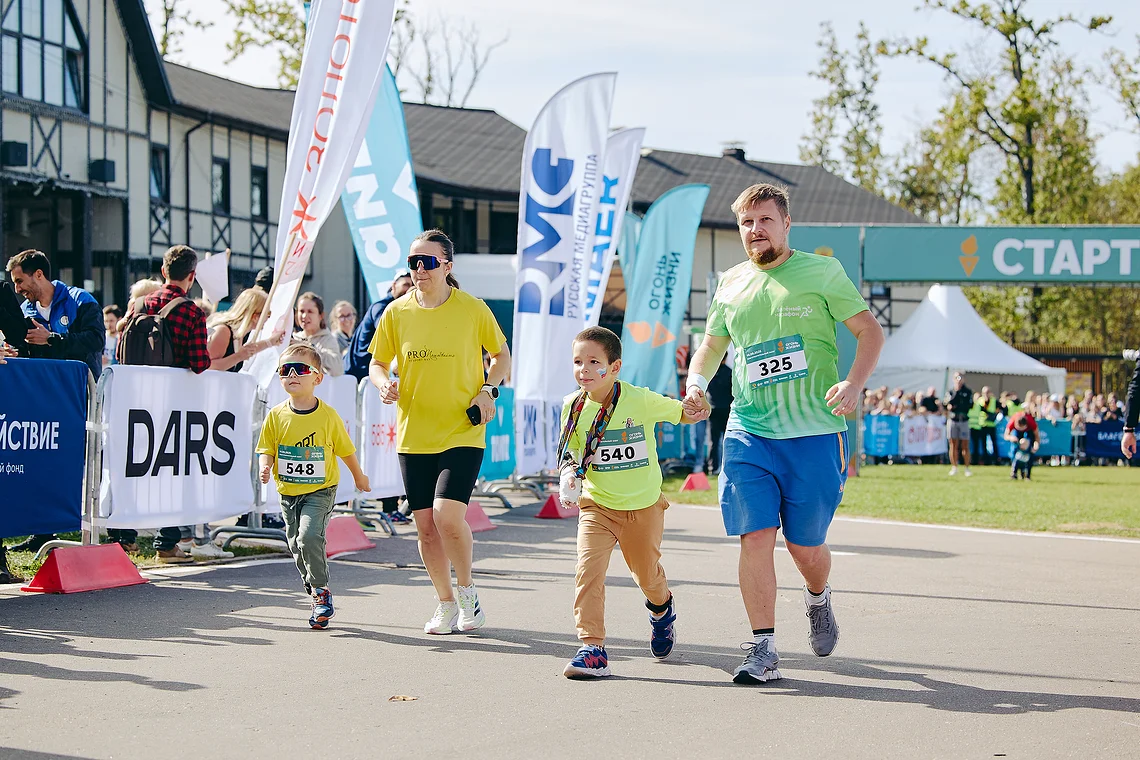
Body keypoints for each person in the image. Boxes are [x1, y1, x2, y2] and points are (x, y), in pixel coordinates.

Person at [682, 183, 884, 684]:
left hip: (814, 433)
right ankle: (763, 646)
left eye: (765, 220)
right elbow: (711, 345)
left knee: (805, 547)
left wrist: (854, 383)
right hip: (749, 432)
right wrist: (695, 381)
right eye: (747, 223)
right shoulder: (729, 283)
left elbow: (869, 332)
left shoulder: (821, 272)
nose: (756, 230)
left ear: (786, 224)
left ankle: (818, 597)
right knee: (755, 536)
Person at [368, 229, 510, 635]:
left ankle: (468, 594)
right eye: (413, 262)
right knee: (425, 527)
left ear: (447, 266)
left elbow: (502, 357)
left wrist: (488, 390)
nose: (418, 270)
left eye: (427, 262)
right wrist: (382, 383)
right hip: (414, 433)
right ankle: (445, 602)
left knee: (449, 518)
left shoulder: (472, 308)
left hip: (462, 429)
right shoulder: (395, 312)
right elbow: (378, 363)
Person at [558, 327, 705, 679]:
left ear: (615, 366)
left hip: (643, 507)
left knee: (648, 578)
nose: (585, 370)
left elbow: (684, 412)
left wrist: (699, 406)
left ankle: (661, 610)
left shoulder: (639, 399)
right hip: (597, 506)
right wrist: (567, 474)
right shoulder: (573, 405)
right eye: (578, 362)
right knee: (587, 572)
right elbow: (570, 451)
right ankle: (592, 647)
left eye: (594, 362)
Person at [258, 343, 370, 629]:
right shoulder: (277, 415)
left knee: (309, 537)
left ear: (317, 378)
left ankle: (321, 592)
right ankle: (312, 585)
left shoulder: (328, 416)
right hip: (288, 492)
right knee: (295, 544)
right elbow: (266, 447)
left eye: (300, 369)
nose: (292, 374)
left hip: (320, 490)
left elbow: (346, 450)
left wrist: (359, 476)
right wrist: (265, 465)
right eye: (285, 370)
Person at [119, 245, 220, 562]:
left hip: (137, 398)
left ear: (163, 271)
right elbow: (200, 362)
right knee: (174, 472)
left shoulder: (141, 304)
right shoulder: (191, 311)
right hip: (175, 405)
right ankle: (167, 543)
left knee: (135, 468)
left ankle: (125, 538)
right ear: (192, 276)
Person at [4, 250, 105, 554]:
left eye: (20, 281)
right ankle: (41, 531)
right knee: (42, 461)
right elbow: (29, 348)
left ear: (38, 274)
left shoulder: (80, 300)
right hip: (41, 397)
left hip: (78, 396)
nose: (18, 288)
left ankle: (93, 528)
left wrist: (53, 339)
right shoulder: (23, 309)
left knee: (81, 461)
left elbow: (95, 340)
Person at [345, 270, 413, 381]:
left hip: (369, 376)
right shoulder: (381, 307)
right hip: (358, 377)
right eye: (406, 285)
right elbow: (388, 329)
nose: (409, 290)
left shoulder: (400, 308)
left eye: (412, 286)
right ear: (394, 286)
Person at [206, 287, 282, 373]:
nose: (268, 318)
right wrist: (239, 356)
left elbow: (250, 350)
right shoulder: (223, 331)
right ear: (255, 316)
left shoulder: (240, 334)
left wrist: (271, 342)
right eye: (267, 314)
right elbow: (208, 366)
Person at [293, 292, 343, 376]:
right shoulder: (294, 338)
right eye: (301, 311)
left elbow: (336, 369)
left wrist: (308, 349)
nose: (304, 316)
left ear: (321, 315)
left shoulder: (328, 339)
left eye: (310, 311)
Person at [705, 353, 733, 473]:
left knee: (714, 441)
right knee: (728, 440)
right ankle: (726, 466)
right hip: (725, 409)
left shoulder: (709, 372)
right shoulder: (730, 372)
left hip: (714, 409)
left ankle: (713, 468)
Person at [946, 372, 973, 476]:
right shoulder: (951, 391)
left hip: (964, 420)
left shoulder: (967, 391)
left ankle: (967, 467)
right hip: (953, 419)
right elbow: (949, 404)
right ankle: (954, 467)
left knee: (965, 445)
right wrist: (957, 391)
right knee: (953, 444)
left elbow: (968, 405)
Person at [1005, 412, 1039, 480]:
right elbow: (1006, 435)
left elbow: (1037, 437)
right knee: (1015, 452)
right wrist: (1011, 438)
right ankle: (1014, 472)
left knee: (1029, 452)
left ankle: (1027, 474)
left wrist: (1036, 446)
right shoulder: (1012, 421)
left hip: (1028, 433)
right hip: (1016, 436)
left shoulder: (1031, 422)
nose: (1021, 430)